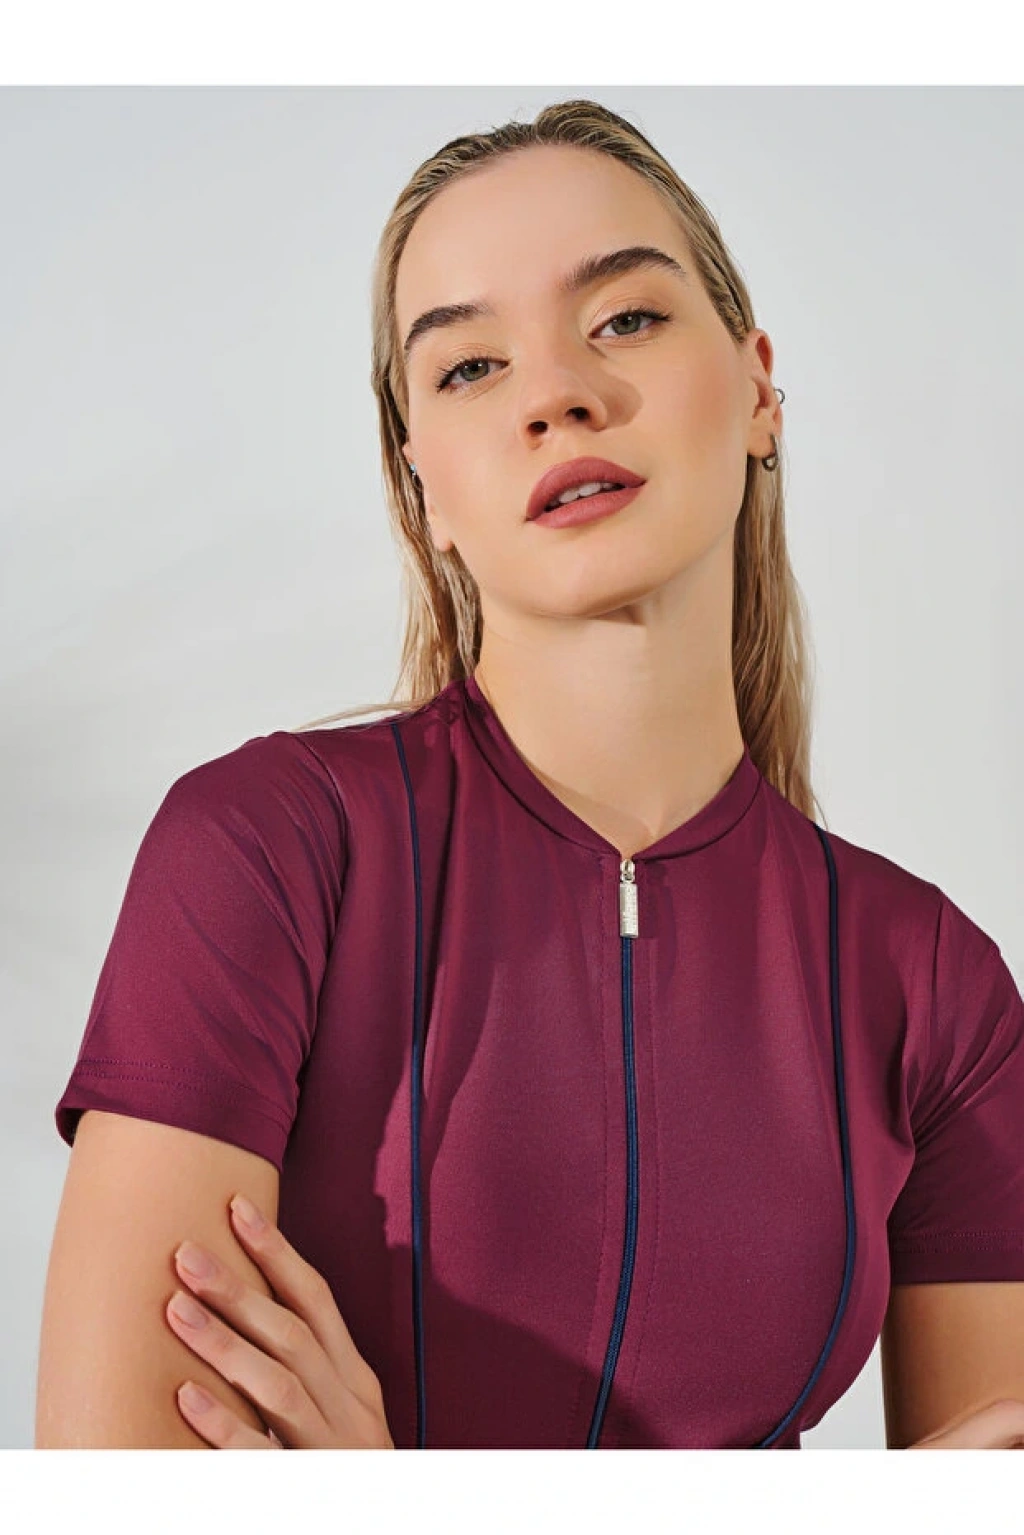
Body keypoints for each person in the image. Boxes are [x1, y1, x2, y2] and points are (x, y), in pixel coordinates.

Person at [38, 99, 1024, 1451]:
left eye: (625, 318)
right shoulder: (265, 850)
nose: (556, 395)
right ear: (422, 491)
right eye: (469, 367)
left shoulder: (934, 985)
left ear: (757, 389)